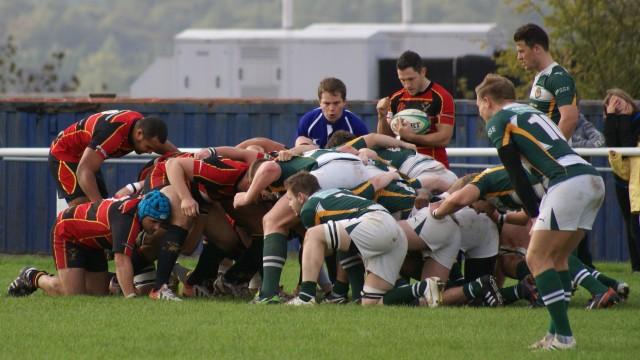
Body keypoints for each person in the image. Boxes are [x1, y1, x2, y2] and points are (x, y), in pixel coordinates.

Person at [475, 74, 605, 350]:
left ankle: (566, 338)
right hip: (590, 178)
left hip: (567, 182)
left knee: (536, 257)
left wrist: (533, 214)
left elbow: (516, 175)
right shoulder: (530, 110)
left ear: (487, 101)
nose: (479, 112)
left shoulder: (499, 120)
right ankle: (555, 335)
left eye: (478, 105)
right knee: (556, 259)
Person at [283, 171, 442, 306]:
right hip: (394, 230)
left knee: (312, 235)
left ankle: (305, 297)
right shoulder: (336, 192)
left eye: (289, 199)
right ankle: (424, 288)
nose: (289, 205)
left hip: (375, 224)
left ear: (301, 197)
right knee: (370, 302)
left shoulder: (309, 208)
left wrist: (327, 286)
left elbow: (317, 247)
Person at [6, 190, 170, 298]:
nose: (156, 228)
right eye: (154, 222)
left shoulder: (142, 206)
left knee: (97, 294)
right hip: (68, 234)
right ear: (144, 214)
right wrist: (131, 297)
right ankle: (32, 276)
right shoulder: (126, 219)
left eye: (160, 224)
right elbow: (121, 261)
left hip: (93, 243)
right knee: (73, 295)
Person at [49, 109, 178, 206]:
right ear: (139, 134)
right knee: (86, 210)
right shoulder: (112, 134)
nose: (150, 152)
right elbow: (84, 171)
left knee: (99, 204)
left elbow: (173, 153)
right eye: (149, 147)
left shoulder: (143, 128)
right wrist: (101, 209)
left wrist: (191, 160)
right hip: (65, 154)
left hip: (87, 154)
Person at [376, 50, 455, 168]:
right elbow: (385, 139)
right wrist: (381, 116)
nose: (407, 85)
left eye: (411, 79)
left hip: (434, 166)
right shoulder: (396, 98)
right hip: (405, 165)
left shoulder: (442, 97)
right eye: (402, 80)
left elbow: (444, 138)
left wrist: (411, 137)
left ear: (423, 72)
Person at [514, 23, 579, 140]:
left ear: (536, 49)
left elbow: (570, 119)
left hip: (554, 158)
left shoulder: (559, 77)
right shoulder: (541, 76)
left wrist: (551, 152)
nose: (519, 57)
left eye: (522, 51)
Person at [603, 88, 640, 272]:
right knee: (630, 223)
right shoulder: (613, 123)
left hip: (636, 179)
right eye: (613, 105)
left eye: (619, 102)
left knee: (636, 223)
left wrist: (624, 118)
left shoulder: (636, 120)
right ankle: (637, 265)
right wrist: (611, 117)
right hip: (622, 180)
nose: (618, 107)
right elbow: (612, 148)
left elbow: (627, 147)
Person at [295, 77, 368, 148]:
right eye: (326, 103)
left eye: (336, 103)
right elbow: (299, 152)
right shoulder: (308, 121)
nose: (331, 108)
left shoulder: (356, 125)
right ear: (320, 102)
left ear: (344, 102)